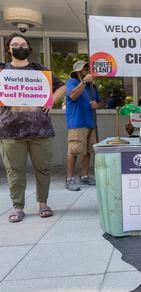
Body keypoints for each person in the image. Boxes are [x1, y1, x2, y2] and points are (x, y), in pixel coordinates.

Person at [0, 33, 66, 222]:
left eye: (22, 44)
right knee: (14, 170)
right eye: (15, 44)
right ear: (8, 49)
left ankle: (42, 203)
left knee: (43, 168)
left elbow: (62, 86)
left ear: (29, 48)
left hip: (40, 129)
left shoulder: (40, 71)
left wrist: (52, 98)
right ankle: (17, 206)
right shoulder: (2, 71)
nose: (19, 47)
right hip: (10, 129)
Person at [65, 60, 104, 191]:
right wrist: (84, 82)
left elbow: (100, 103)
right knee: (74, 150)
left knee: (87, 151)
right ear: (77, 72)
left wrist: (96, 105)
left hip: (90, 122)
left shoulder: (92, 87)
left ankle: (84, 175)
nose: (86, 70)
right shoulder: (72, 82)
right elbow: (72, 96)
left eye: (87, 68)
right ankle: (69, 179)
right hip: (77, 122)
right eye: (83, 69)